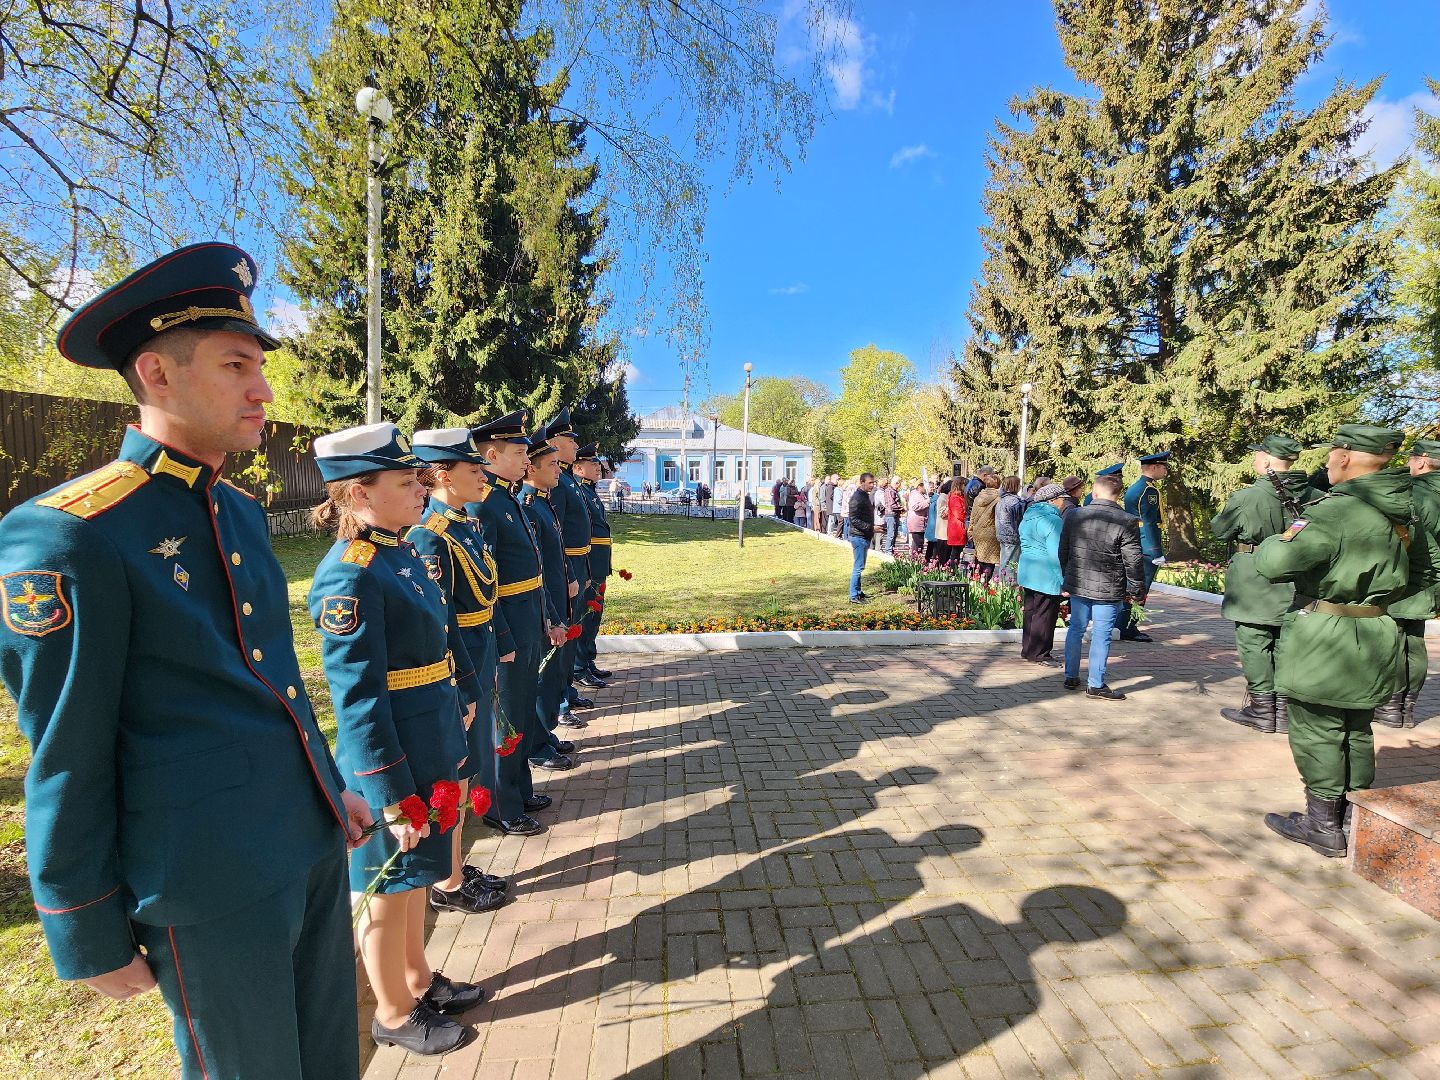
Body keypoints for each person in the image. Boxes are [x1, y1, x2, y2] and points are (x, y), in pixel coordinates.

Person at [0, 243, 371, 1079]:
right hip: (205, 882)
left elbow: (272, 680)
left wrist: (330, 785)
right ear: (155, 375)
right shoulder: (69, 533)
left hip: (307, 844)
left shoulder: (236, 511)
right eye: (237, 364)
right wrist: (83, 923)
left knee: (331, 1063)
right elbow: (65, 746)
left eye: (259, 366)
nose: (264, 390)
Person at [308, 421, 484, 1055]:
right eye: (406, 481)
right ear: (358, 494)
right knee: (389, 883)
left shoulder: (403, 551)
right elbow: (357, 700)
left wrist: (463, 693)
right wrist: (387, 793)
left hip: (431, 734)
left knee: (420, 873)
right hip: (391, 758)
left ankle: (417, 979)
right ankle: (391, 1012)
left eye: (418, 478)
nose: (421, 490)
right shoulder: (349, 577)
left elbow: (443, 632)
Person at [1256, 425, 1412, 858]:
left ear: (1344, 456)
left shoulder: (1337, 510)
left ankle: (1322, 825)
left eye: (1330, 454)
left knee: (1318, 729)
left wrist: (1279, 535)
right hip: (1377, 628)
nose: (1326, 462)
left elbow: (1275, 562)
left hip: (1329, 633)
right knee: (1357, 727)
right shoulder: (1401, 507)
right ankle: (1352, 814)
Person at [408, 428, 512, 914]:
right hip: (460, 659)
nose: (482, 476)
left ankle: (452, 867)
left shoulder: (463, 525)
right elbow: (439, 621)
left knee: (469, 767)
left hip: (480, 647)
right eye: (473, 470)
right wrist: (463, 681)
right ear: (443, 475)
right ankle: (448, 883)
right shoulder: (431, 536)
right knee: (460, 769)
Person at [469, 410, 549, 837]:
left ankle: (518, 788)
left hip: (527, 620)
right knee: (506, 719)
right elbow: (487, 583)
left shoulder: (508, 499)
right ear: (493, 454)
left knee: (520, 709)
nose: (525, 459)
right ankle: (501, 803)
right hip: (509, 627)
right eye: (519, 452)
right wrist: (502, 636)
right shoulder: (483, 505)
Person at [1211, 435, 1316, 734]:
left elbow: (1221, 530)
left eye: (1258, 455)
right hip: (1298, 578)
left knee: (1255, 642)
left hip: (1255, 580)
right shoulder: (1316, 495)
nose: (1255, 459)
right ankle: (1283, 711)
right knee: (1287, 644)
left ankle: (1261, 709)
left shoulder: (1247, 497)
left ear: (1268, 460)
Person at [519, 435, 581, 774]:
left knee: (550, 672)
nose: (558, 470)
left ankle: (544, 734)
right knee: (541, 679)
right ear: (532, 468)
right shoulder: (527, 504)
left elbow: (556, 551)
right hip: (543, 602)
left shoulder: (542, 502)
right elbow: (536, 564)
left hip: (555, 598)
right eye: (552, 465)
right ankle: (537, 743)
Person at [1058, 472, 1145, 699]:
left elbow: (1063, 551)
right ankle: (1095, 684)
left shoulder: (1075, 515)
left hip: (1079, 582)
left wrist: (1066, 577)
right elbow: (1133, 559)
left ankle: (1071, 675)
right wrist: (1136, 589)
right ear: (1117, 495)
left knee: (1076, 629)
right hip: (1109, 585)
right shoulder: (1126, 520)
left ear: (1094, 493)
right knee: (1101, 634)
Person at [1377, 439, 1440, 728]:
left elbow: (1403, 539)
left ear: (1422, 461)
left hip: (1408, 576)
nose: (1407, 463)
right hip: (1433, 580)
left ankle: (1390, 706)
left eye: (1411, 459)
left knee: (1392, 639)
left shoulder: (1414, 494)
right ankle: (1406, 709)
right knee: (1413, 641)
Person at [545, 409, 595, 729]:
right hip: (565, 565)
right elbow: (557, 533)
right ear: (552, 441)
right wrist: (569, 573)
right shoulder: (558, 482)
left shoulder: (566, 479)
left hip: (579, 561)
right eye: (569, 439)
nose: (575, 445)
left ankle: (567, 690)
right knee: (564, 637)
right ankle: (560, 702)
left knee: (574, 630)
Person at [573, 443, 616, 686]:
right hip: (588, 564)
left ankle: (587, 661)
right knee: (586, 616)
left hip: (598, 565)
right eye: (592, 463)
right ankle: (579, 668)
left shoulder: (589, 491)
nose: (598, 467)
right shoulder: (578, 492)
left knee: (594, 616)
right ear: (578, 468)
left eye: (597, 463)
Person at [1117, 451, 1171, 642]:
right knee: (1141, 587)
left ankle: (1121, 624)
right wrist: (1155, 550)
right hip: (1146, 545)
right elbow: (1148, 522)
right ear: (1154, 467)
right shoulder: (1149, 491)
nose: (1166, 470)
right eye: (1164, 467)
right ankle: (1128, 627)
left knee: (1131, 586)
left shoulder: (1135, 488)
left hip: (1136, 542)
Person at [1018, 482, 1070, 666]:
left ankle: (1028, 649)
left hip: (1028, 570)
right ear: (1052, 500)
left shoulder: (1029, 516)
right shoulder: (1053, 520)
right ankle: (1040, 653)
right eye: (1062, 499)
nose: (1064, 503)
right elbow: (1055, 553)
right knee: (1045, 614)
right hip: (1045, 573)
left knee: (1031, 612)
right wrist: (1062, 580)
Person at [847, 473, 877, 602]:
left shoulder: (864, 496)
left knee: (861, 566)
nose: (872, 485)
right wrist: (871, 528)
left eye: (873, 483)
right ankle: (854, 595)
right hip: (858, 536)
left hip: (864, 535)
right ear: (862, 482)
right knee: (858, 567)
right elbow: (853, 519)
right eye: (870, 483)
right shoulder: (857, 497)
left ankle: (858, 591)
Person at [970, 471, 1002, 581]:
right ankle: (985, 585)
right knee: (990, 560)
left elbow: (973, 515)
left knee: (979, 559)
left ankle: (976, 583)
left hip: (978, 532)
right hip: (991, 533)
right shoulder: (999, 498)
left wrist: (970, 530)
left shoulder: (978, 497)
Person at [995, 476, 1024, 582]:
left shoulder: (1002, 500)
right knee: (1011, 565)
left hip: (1002, 535)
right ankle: (1009, 587)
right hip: (1012, 536)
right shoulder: (1014, 502)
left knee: (1004, 562)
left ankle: (1003, 585)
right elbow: (1018, 519)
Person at [945, 477, 968, 566]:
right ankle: (952, 570)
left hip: (957, 528)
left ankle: (953, 569)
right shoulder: (955, 498)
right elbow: (959, 514)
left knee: (956, 552)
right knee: (955, 553)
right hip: (957, 529)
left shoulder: (959, 496)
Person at [906, 479, 929, 556]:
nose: (926, 489)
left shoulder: (922, 494)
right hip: (916, 522)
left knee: (920, 543)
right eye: (925, 487)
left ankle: (916, 559)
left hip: (921, 522)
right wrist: (927, 502)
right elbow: (915, 507)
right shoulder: (914, 494)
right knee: (917, 543)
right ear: (920, 486)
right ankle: (915, 560)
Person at [924, 480, 943, 563]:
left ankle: (927, 561)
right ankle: (933, 563)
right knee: (934, 547)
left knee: (930, 546)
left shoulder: (933, 500)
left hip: (931, 526)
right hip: (936, 526)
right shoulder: (937, 500)